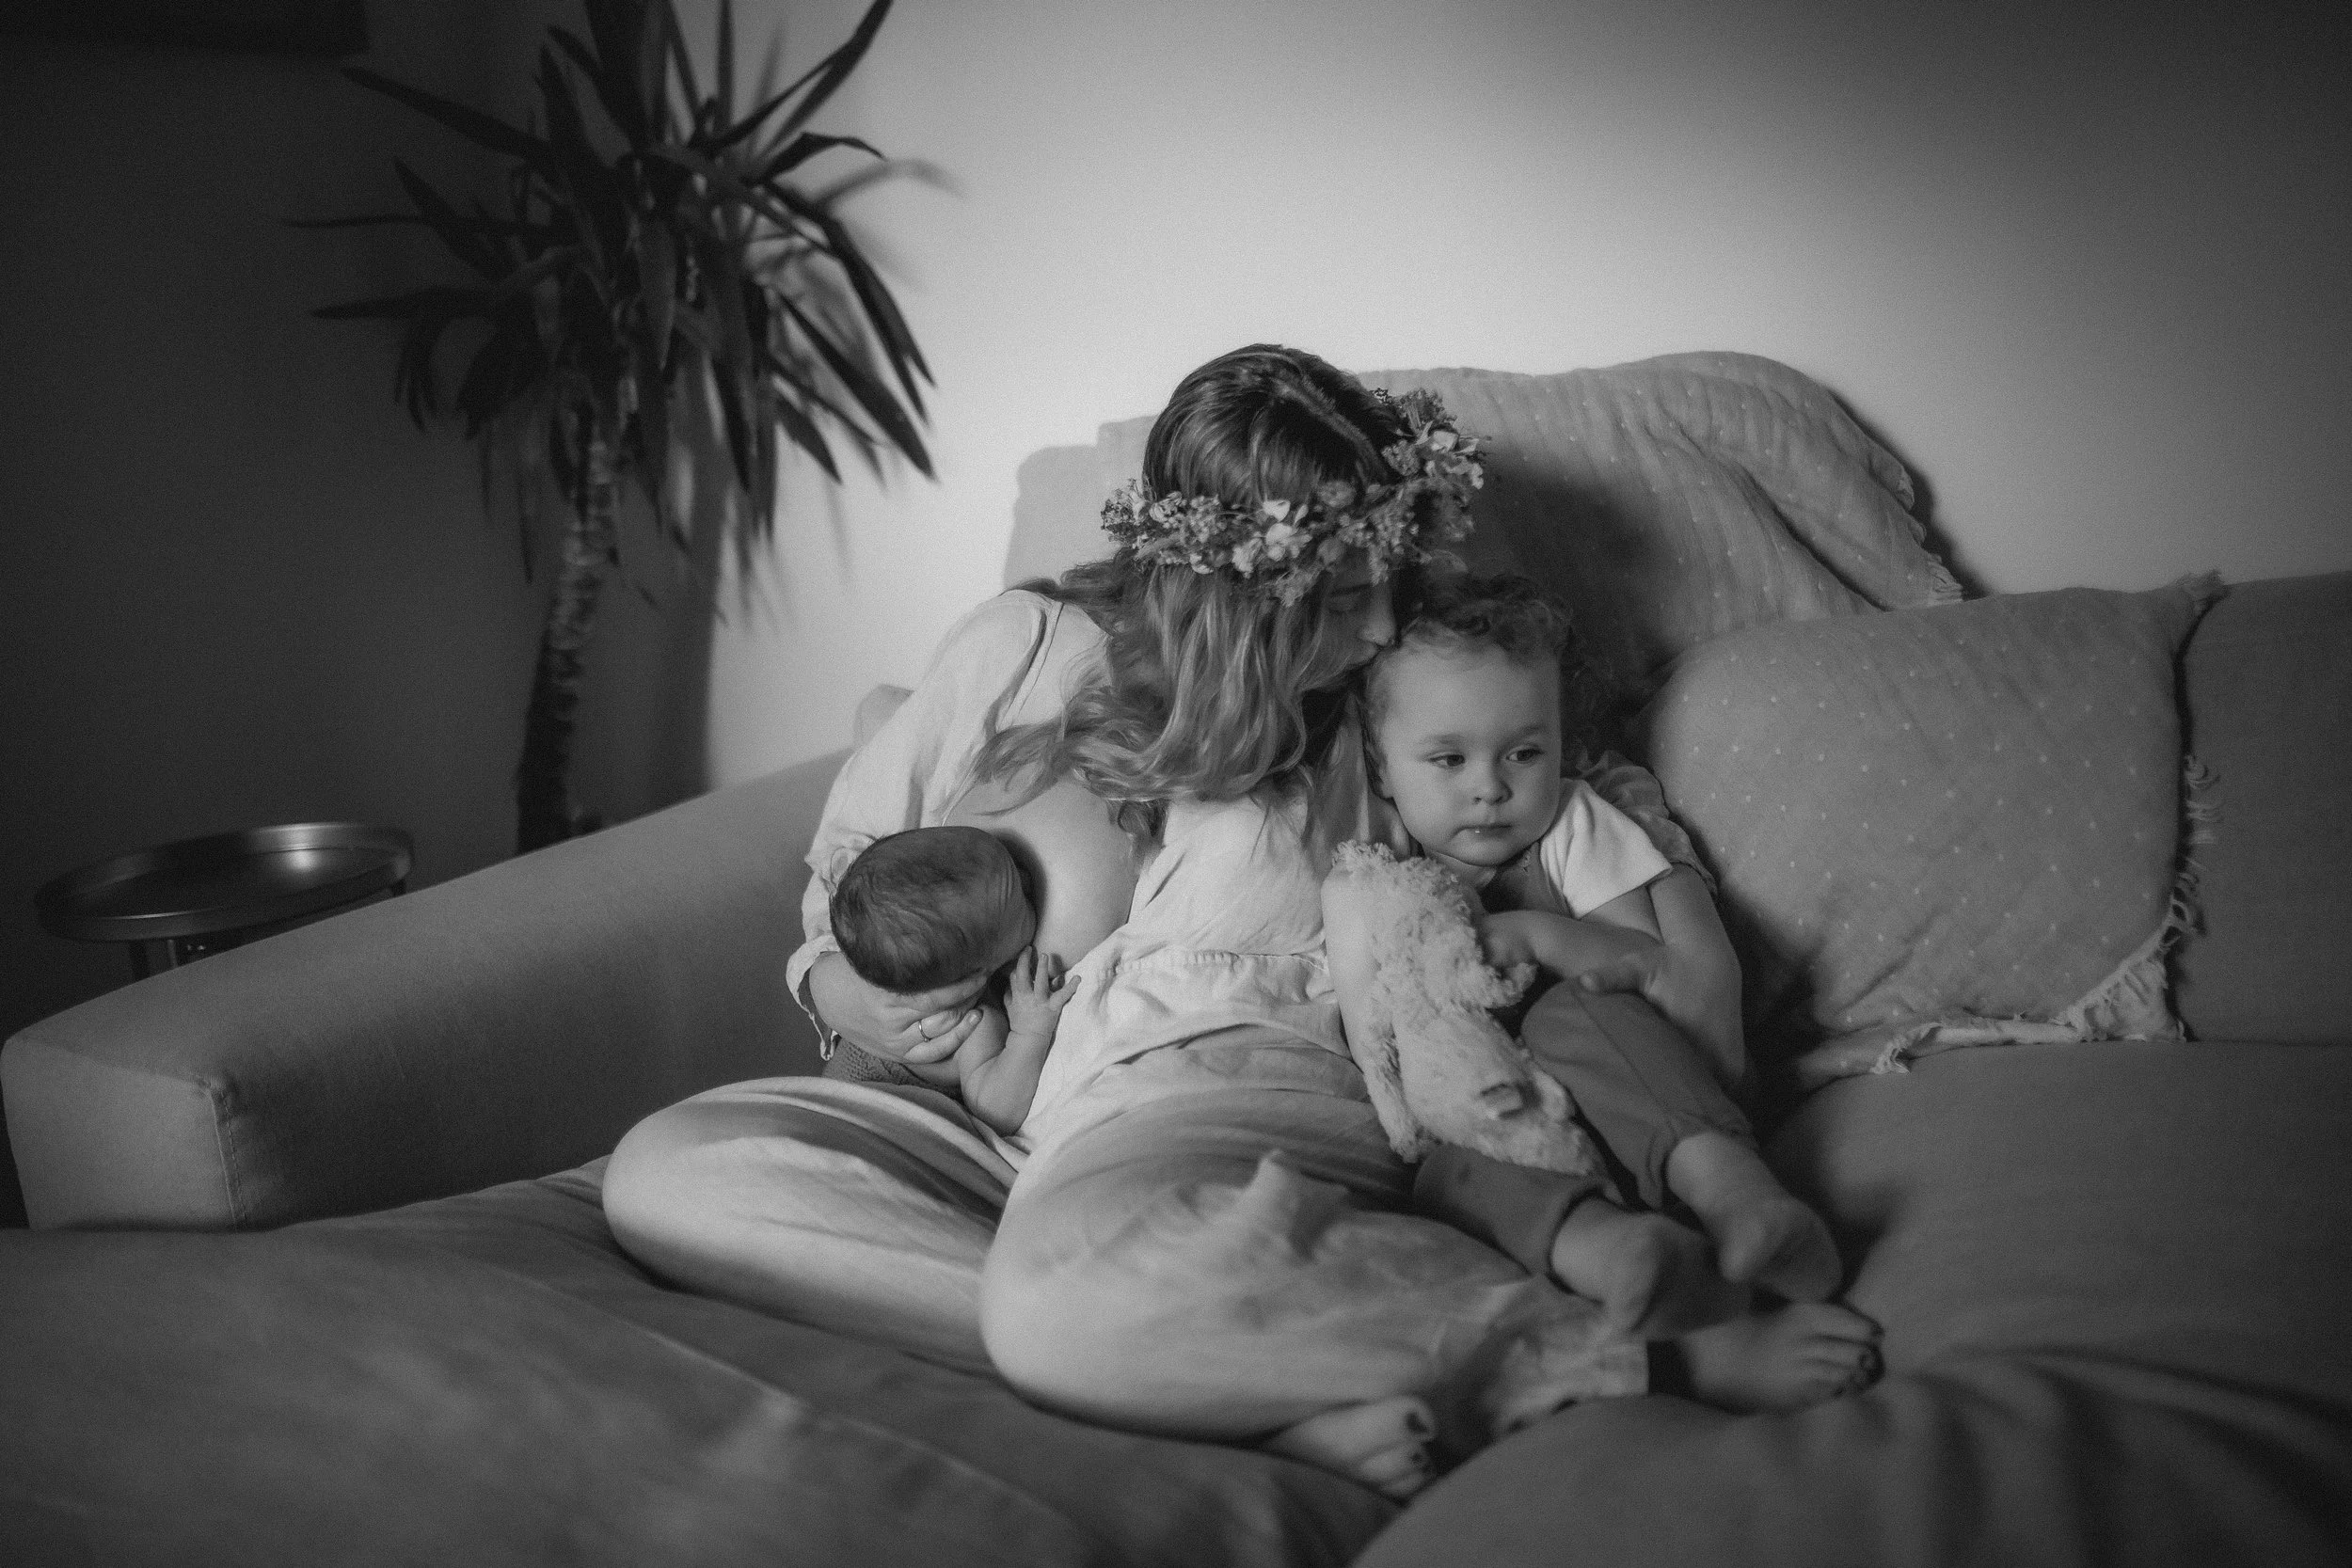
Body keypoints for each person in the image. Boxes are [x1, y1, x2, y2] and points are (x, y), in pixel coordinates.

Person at [602, 344, 1875, 1499]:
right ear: (1227, 589)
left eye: (1385, 579)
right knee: (673, 1172)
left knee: (1061, 1309)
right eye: (1334, 594)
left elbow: (1558, 804)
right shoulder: (1021, 649)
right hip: (993, 1123)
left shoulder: (1377, 691)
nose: (1378, 620)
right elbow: (838, 879)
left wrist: (1690, 935)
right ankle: (1222, 1374)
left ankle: (1622, 1348)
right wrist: (848, 992)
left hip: (1219, 1095)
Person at [1328, 576, 1866, 1395]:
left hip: (1645, 1095)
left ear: (1559, 744)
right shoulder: (1388, 878)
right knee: (1447, 1180)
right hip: (1517, 1134)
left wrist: (1541, 934)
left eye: (1524, 752)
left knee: (1577, 1014)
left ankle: (1736, 1193)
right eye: (1448, 758)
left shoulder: (1573, 828)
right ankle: (1630, 1261)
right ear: (1383, 768)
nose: (1490, 785)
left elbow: (1647, 960)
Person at [828, 825, 1073, 1135]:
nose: (1028, 879)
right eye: (1021, 900)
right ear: (975, 973)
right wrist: (1031, 1031)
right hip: (865, 1120)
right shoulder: (970, 1021)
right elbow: (996, 1110)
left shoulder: (886, 971)